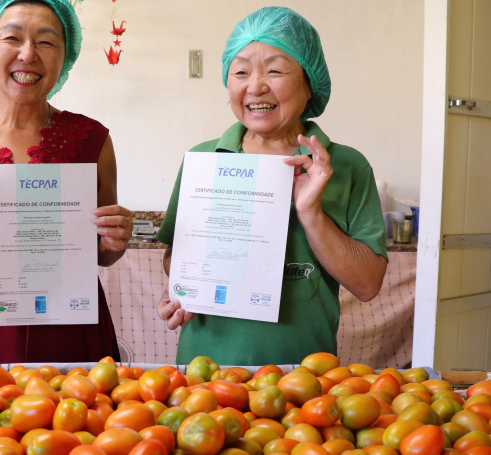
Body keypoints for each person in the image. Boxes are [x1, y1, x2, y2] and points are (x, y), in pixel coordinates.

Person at [156, 6, 387, 366]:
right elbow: (175, 256)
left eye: (275, 70)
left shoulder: (345, 166)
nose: (255, 86)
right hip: (204, 369)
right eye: (241, 71)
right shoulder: (203, 160)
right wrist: (186, 290)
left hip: (302, 377)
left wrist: (310, 213)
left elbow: (368, 285)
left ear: (310, 83)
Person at [0, 0, 132, 365]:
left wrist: (116, 240)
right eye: (12, 37)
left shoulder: (93, 139)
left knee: (76, 418)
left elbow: (102, 252)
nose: (27, 54)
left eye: (46, 42)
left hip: (70, 321)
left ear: (66, 56)